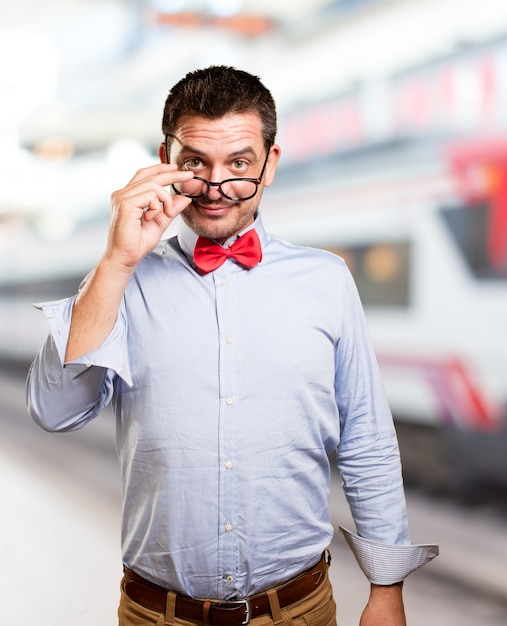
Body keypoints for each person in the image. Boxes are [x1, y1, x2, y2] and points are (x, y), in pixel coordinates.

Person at [26, 65, 438, 626]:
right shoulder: (121, 282)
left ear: (270, 164)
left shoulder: (327, 281)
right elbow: (54, 412)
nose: (217, 188)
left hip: (299, 611)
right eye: (195, 162)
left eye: (239, 163)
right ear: (165, 160)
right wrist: (117, 261)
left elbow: (366, 438)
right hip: (157, 615)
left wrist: (386, 588)